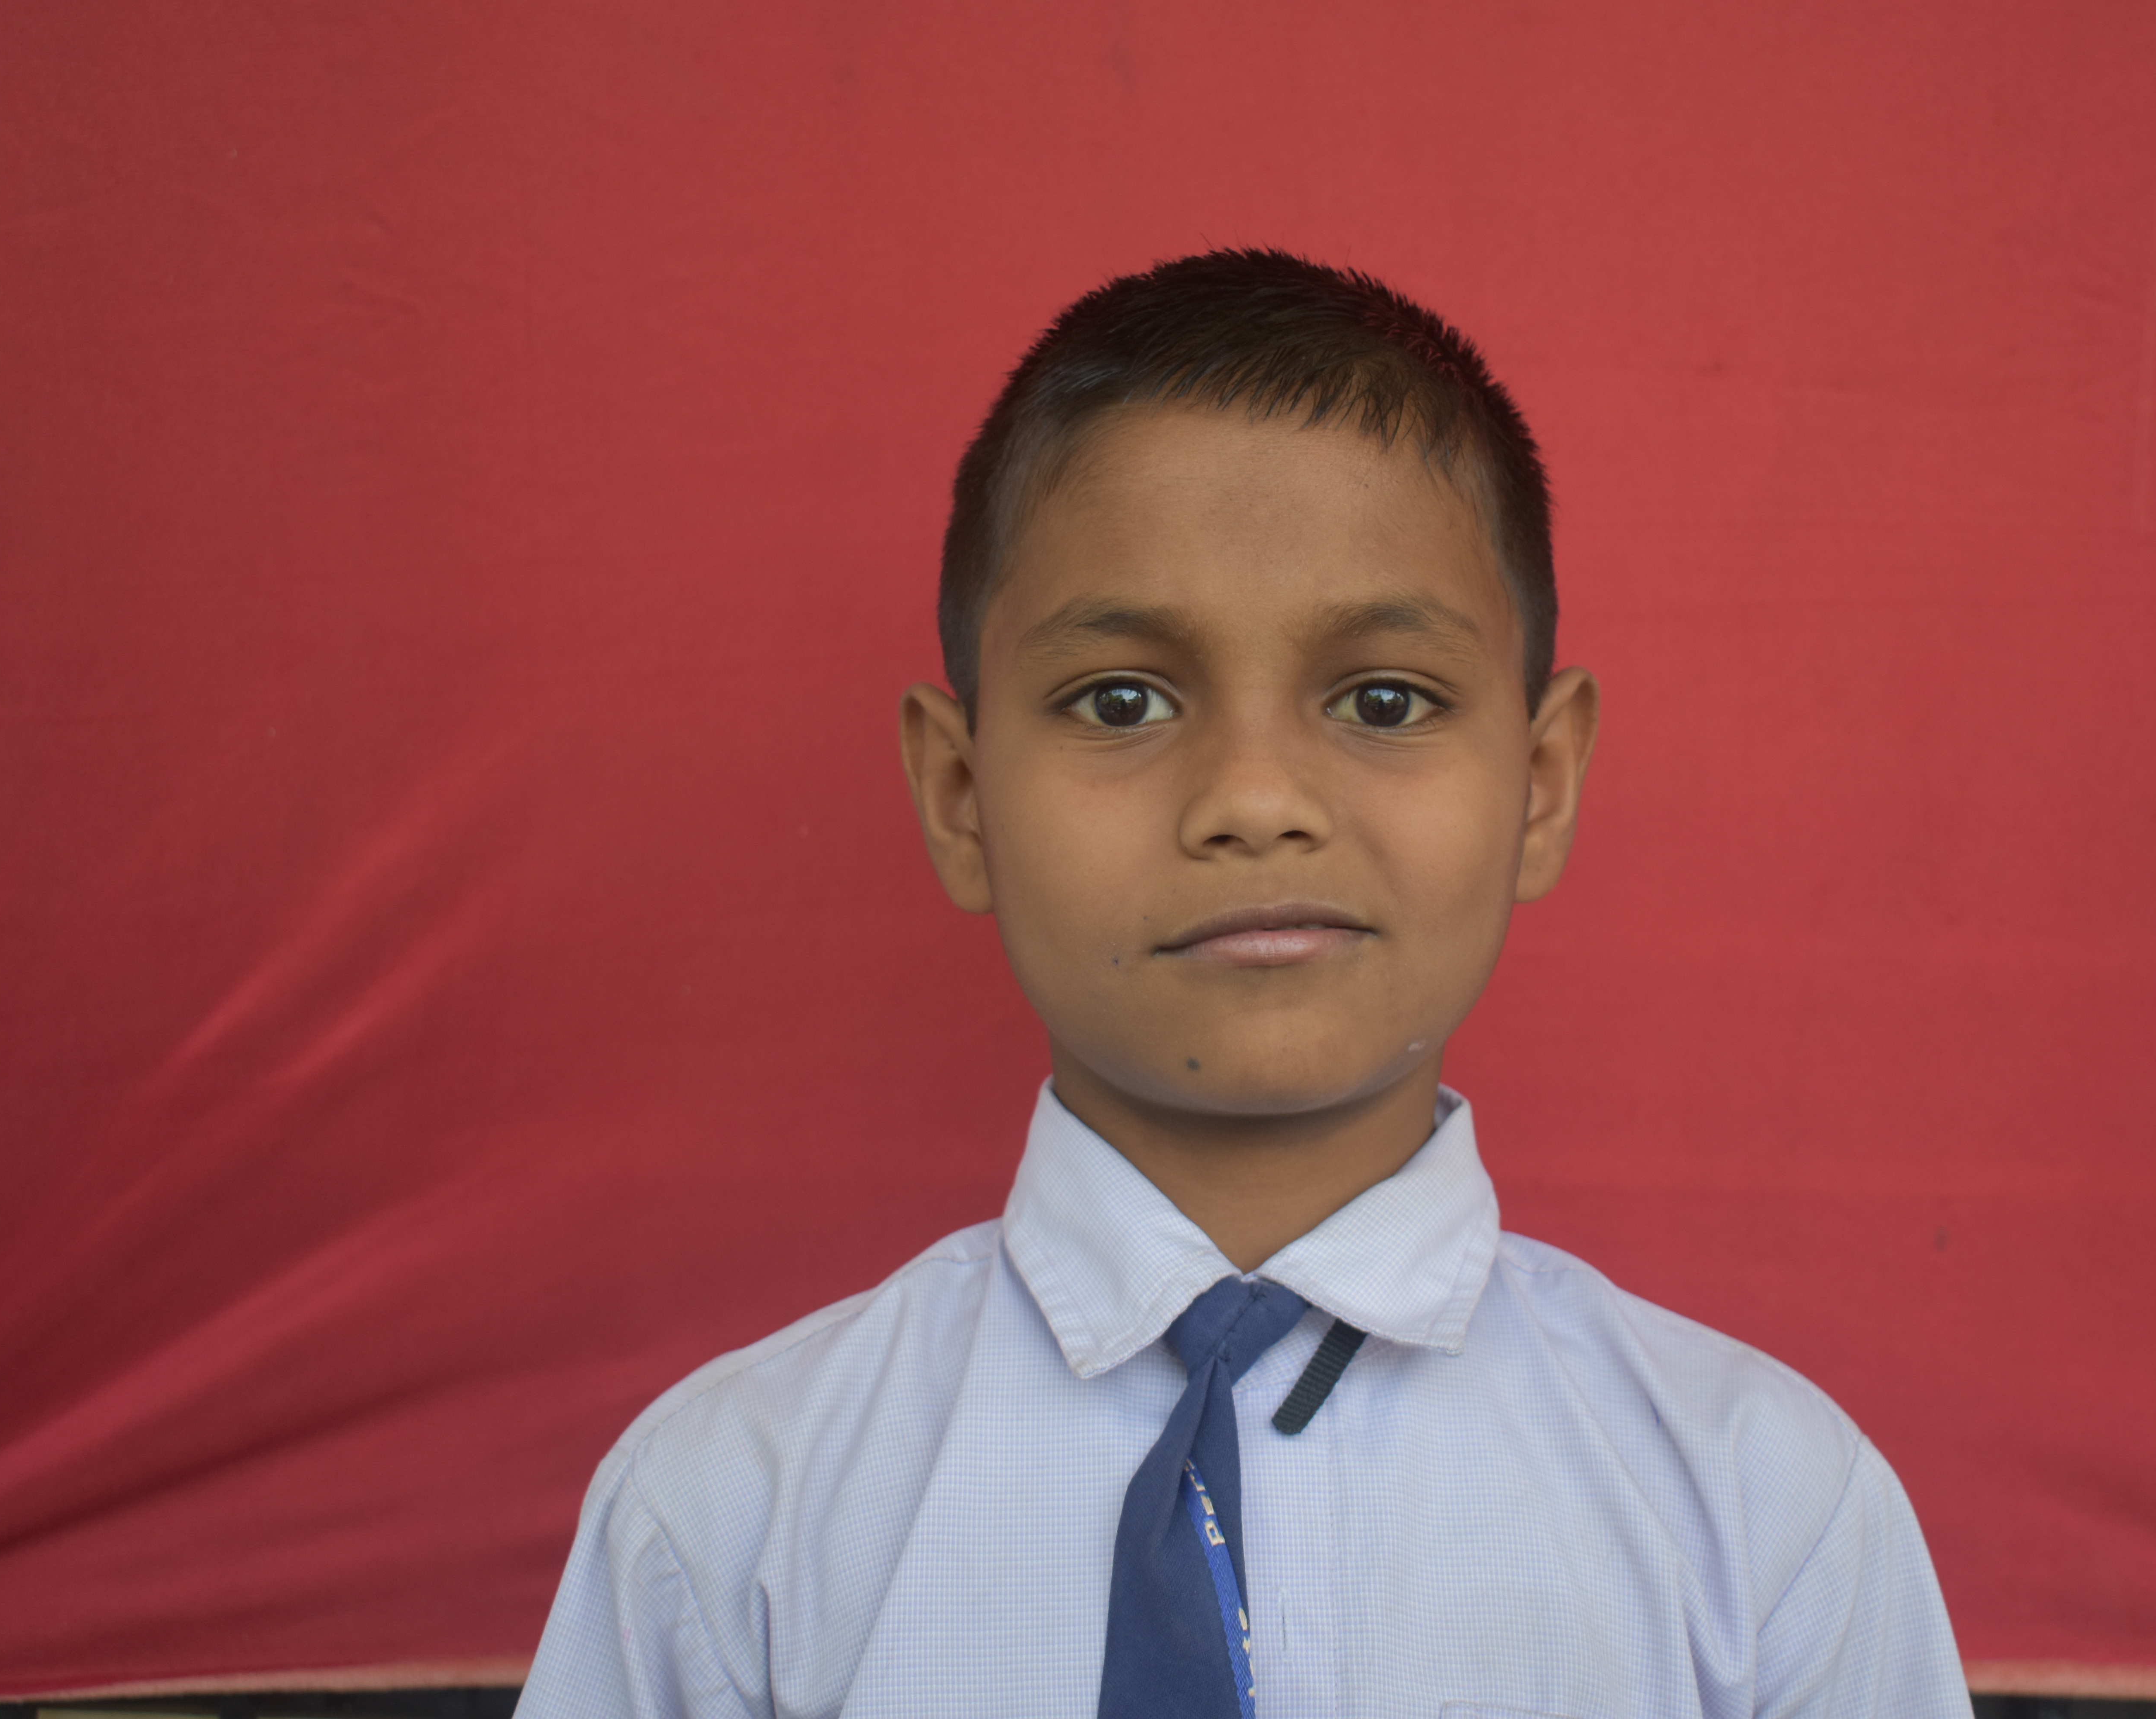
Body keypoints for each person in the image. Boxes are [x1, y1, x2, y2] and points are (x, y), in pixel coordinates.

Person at [516, 249, 1971, 1718]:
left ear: (1539, 785)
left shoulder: (1767, 1524)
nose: (1257, 800)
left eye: (1385, 700)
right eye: (1122, 700)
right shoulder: (727, 1525)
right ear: (961, 797)